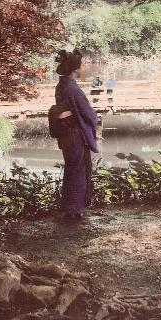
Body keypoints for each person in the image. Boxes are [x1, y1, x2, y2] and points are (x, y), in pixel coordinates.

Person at [54, 49, 99, 221]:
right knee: (78, 170)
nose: (85, 67)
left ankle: (69, 208)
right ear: (75, 68)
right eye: (83, 64)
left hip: (67, 134)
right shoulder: (72, 88)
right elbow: (88, 114)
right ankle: (74, 209)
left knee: (72, 169)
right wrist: (95, 119)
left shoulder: (62, 85)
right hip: (75, 134)